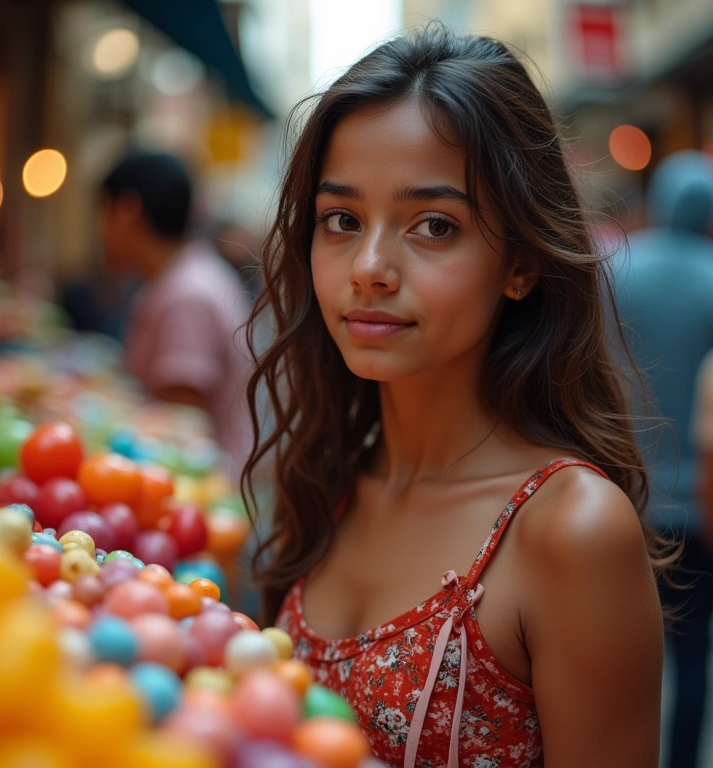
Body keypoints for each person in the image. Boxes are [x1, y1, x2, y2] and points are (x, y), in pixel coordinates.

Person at [242, 25, 666, 768]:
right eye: (341, 219)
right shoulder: (328, 474)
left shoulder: (571, 530)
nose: (369, 267)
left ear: (522, 265)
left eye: (434, 226)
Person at [615, 150, 713, 768]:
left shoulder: (622, 271)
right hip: (700, 501)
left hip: (626, 498)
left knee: (622, 659)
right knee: (694, 653)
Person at [99, 150, 253, 482]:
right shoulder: (182, 276)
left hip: (200, 498)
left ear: (127, 212)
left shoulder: (186, 296)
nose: (101, 231)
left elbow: (182, 428)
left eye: (104, 213)